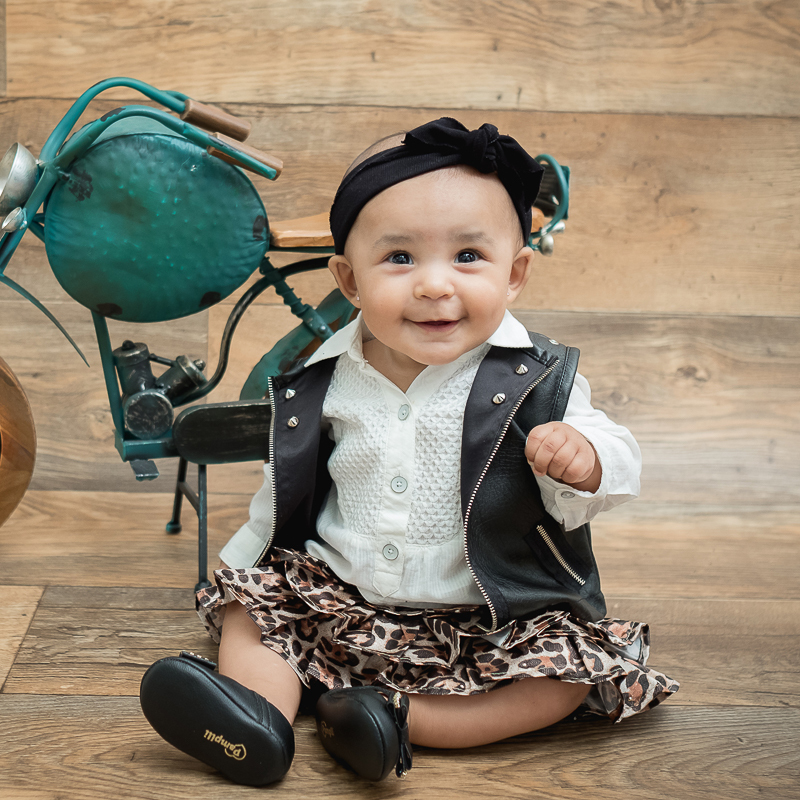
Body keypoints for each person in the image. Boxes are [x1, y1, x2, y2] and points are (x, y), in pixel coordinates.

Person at [138, 118, 679, 786]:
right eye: (399, 258)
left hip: (487, 618)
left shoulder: (537, 379)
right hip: (341, 598)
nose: (433, 284)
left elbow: (618, 455)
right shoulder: (326, 378)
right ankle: (255, 720)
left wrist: (586, 456)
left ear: (515, 275)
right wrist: (240, 567)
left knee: (559, 681)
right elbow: (285, 485)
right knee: (252, 609)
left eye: (468, 257)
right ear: (349, 280)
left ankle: (395, 719)